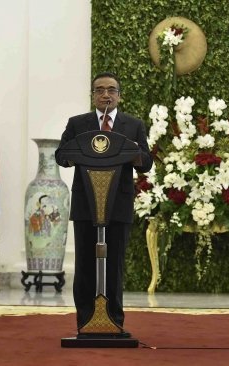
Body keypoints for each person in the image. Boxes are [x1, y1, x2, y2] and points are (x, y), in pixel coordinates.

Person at [56, 72, 153, 329]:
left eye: (111, 90)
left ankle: (114, 322)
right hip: (86, 205)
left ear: (119, 95)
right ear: (93, 96)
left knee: (114, 266)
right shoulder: (78, 124)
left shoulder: (133, 125)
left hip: (117, 205)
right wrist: (73, 154)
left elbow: (147, 162)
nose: (106, 95)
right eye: (100, 90)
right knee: (86, 266)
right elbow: (61, 155)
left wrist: (134, 153)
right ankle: (86, 322)